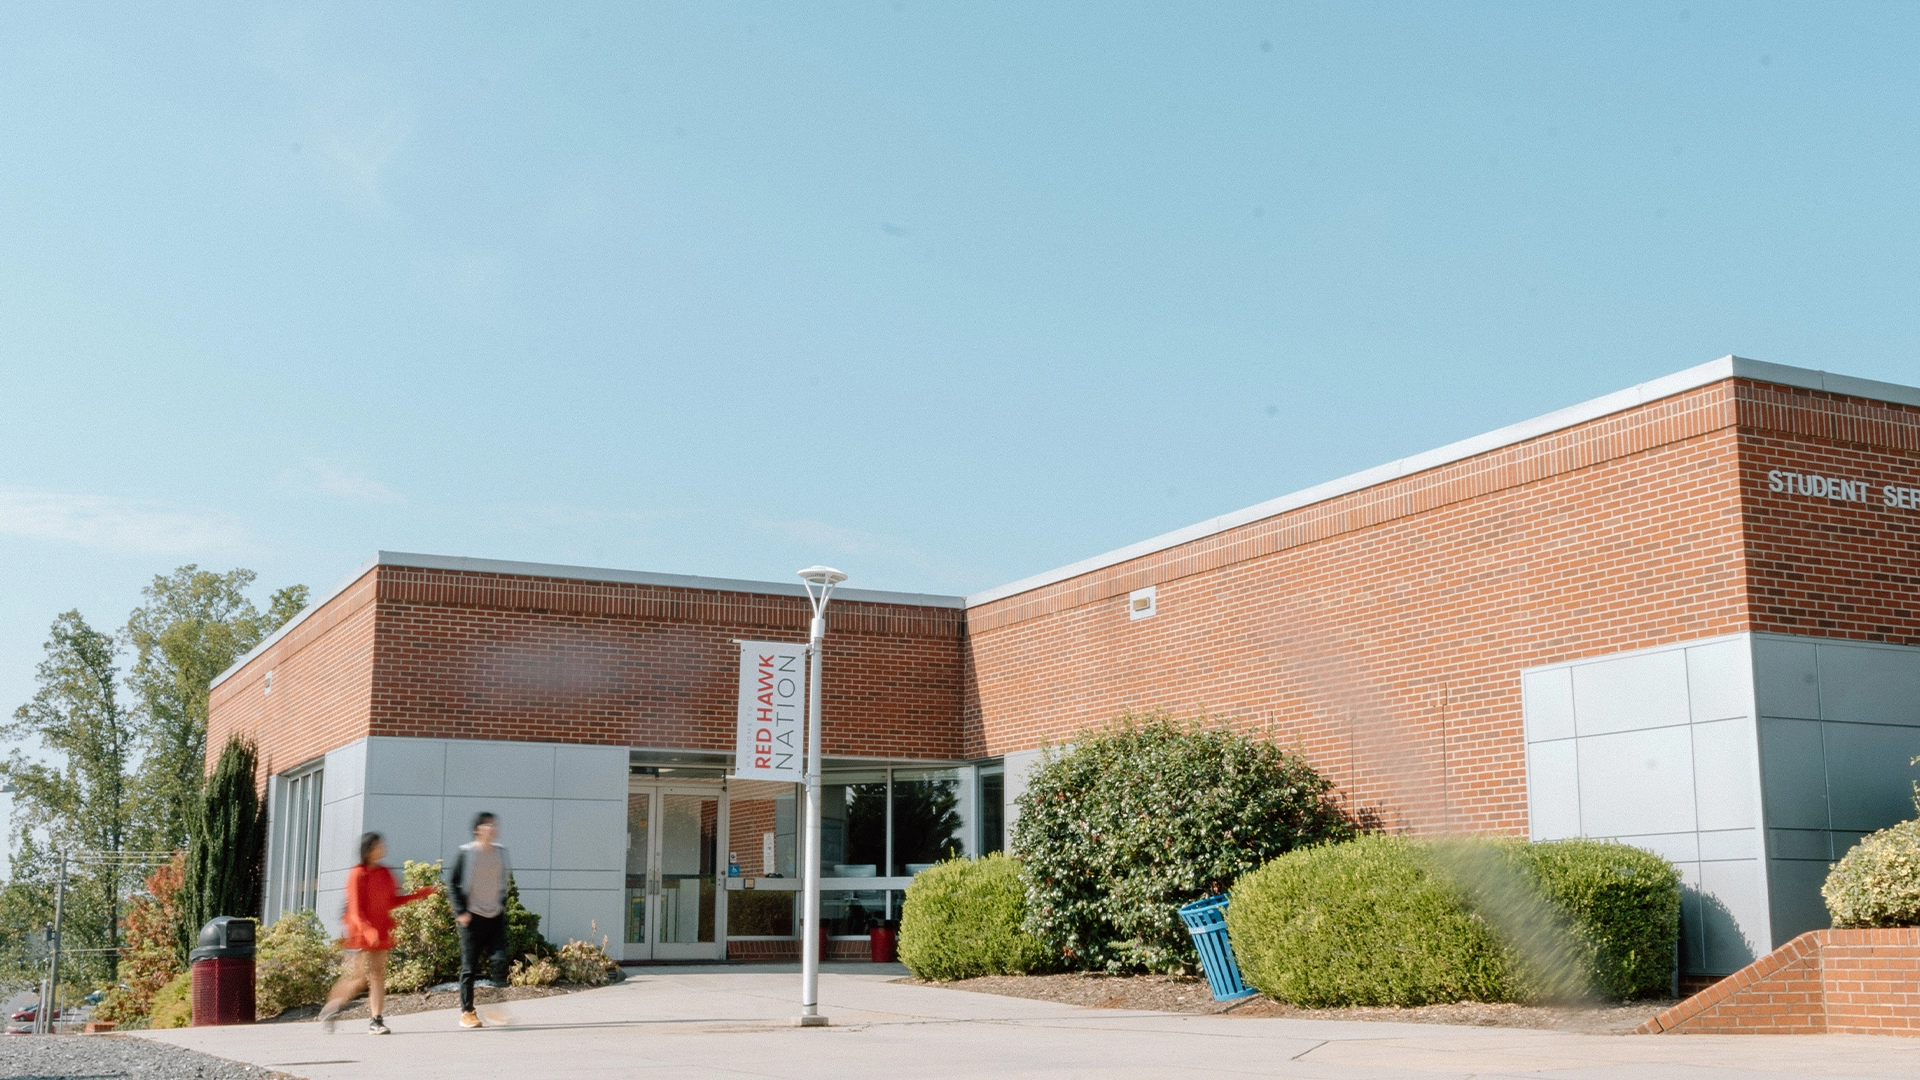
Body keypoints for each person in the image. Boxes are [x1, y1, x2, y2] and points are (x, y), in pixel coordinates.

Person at [320, 832, 434, 1035]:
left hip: (381, 931)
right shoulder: (357, 873)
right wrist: (368, 930)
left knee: (377, 975)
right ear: (369, 849)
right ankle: (332, 1007)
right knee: (358, 979)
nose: (383, 847)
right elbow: (355, 911)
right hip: (360, 933)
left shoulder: (385, 872)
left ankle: (376, 1020)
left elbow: (391, 901)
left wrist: (417, 895)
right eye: (379, 845)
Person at [447, 811, 512, 1029]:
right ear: (477, 829)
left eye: (494, 825)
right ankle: (467, 1012)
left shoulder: (501, 853)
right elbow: (453, 883)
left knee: (499, 960)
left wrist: (501, 902)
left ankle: (493, 1006)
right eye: (487, 825)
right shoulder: (466, 853)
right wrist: (461, 912)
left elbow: (503, 882)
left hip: (495, 917)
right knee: (469, 968)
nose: (493, 828)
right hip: (472, 918)